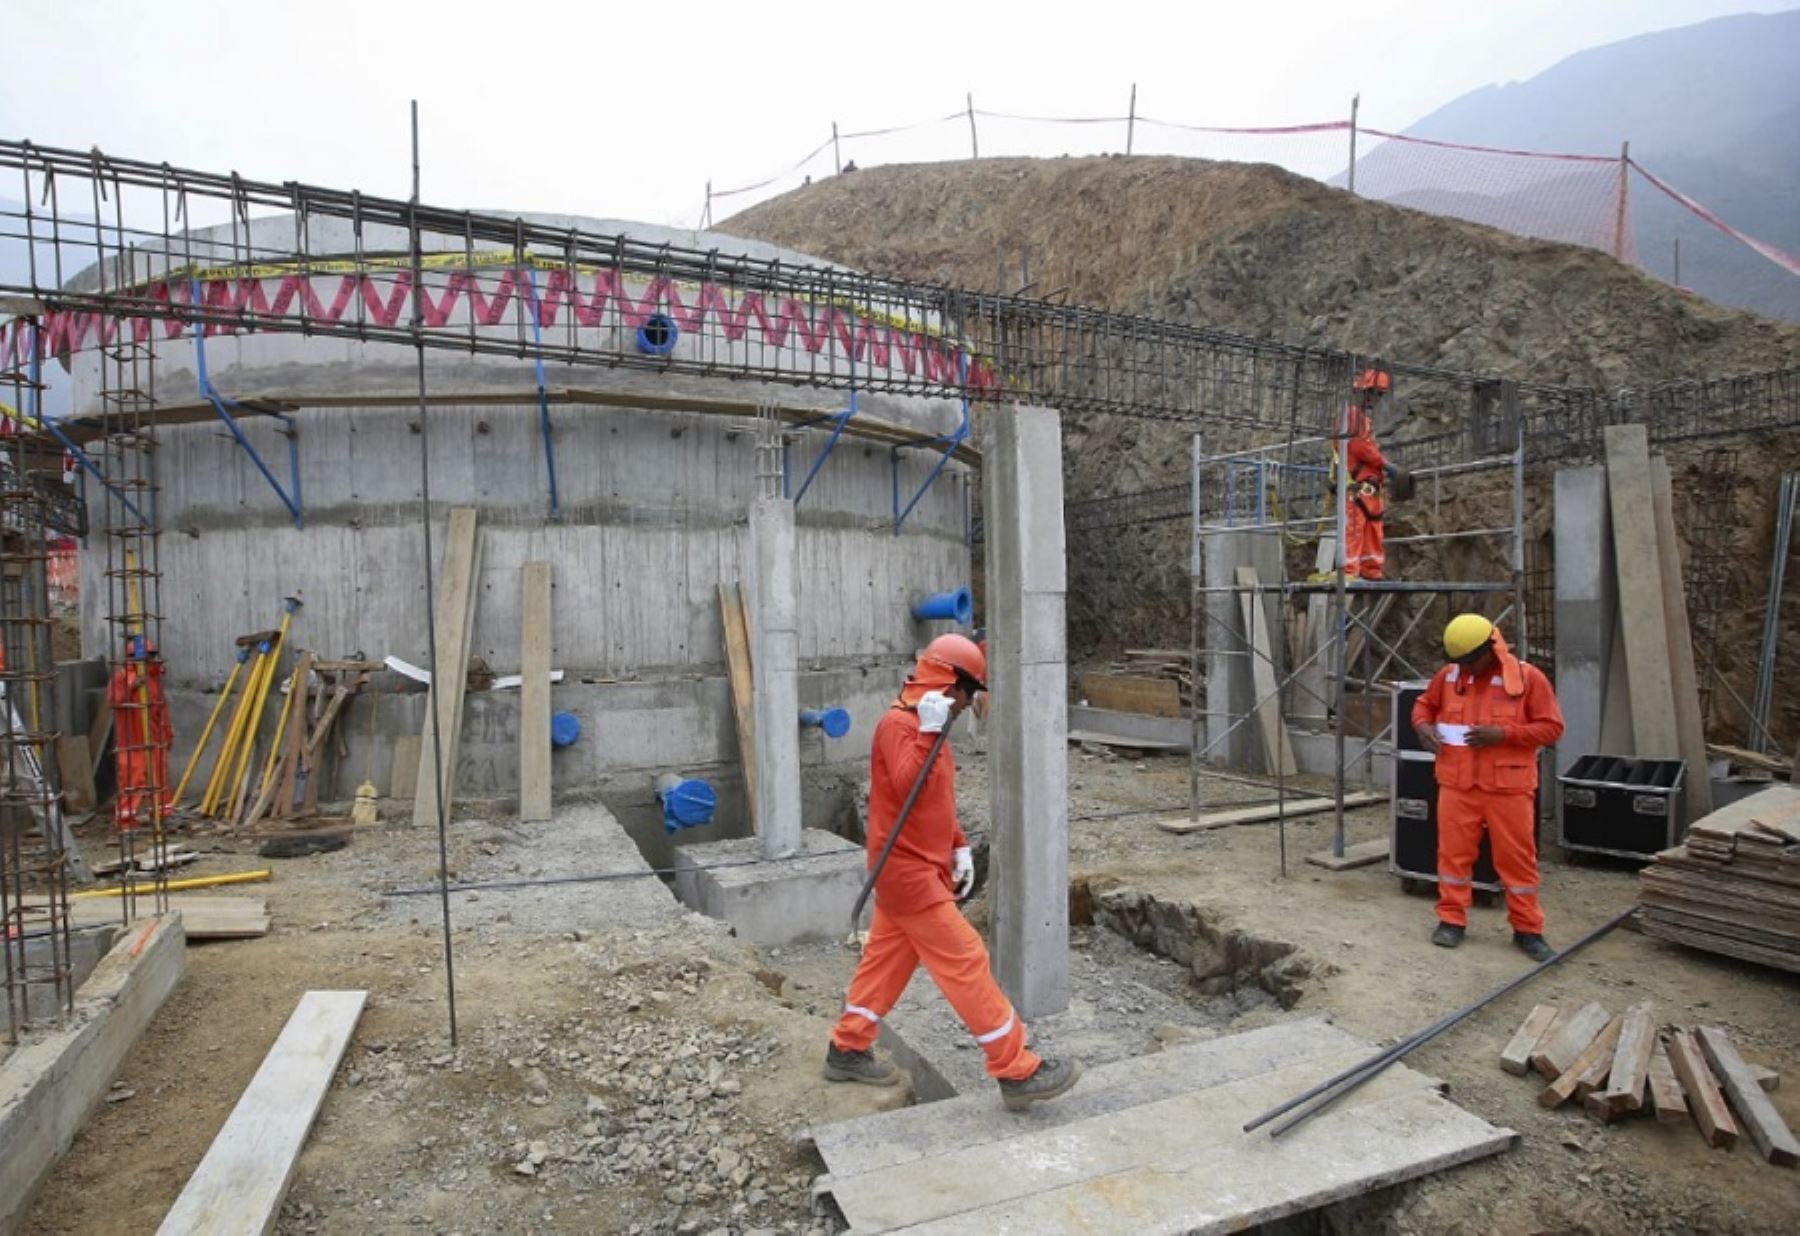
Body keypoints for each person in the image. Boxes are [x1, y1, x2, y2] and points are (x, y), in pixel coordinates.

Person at [823, 633, 1083, 1112]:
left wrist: (958, 846)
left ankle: (847, 1047)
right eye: (968, 691)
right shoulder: (899, 726)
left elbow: (935, 801)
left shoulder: (932, 729)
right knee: (965, 960)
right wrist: (926, 730)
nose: (969, 703)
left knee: (886, 963)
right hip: (908, 874)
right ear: (949, 683)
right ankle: (1015, 1068)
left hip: (918, 871)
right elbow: (905, 785)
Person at [1412, 615, 1564, 961]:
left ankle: (1528, 930)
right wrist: (1422, 727)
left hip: (1507, 787)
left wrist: (1505, 734)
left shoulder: (1528, 678)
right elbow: (1424, 704)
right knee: (1452, 857)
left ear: (1490, 650)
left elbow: (1552, 728)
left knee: (1517, 862)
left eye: (1470, 662)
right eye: (1459, 663)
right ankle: (1451, 920)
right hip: (1457, 784)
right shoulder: (1449, 676)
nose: (1464, 669)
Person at [108, 635, 174, 829]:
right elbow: (113, 701)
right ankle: (127, 821)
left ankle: (162, 815)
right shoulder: (121, 678)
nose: (150, 661)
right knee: (132, 780)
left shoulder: (153, 679)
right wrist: (132, 688)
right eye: (147, 657)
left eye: (151, 657)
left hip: (155, 739)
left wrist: (167, 734)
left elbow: (161, 710)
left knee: (160, 779)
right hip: (132, 740)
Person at [1343, 368, 1393, 580]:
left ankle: (1371, 569)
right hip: (1358, 486)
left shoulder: (1362, 420)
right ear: (1363, 391)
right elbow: (1360, 447)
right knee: (1355, 529)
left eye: (1379, 395)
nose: (1375, 400)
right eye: (1374, 393)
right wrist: (1387, 465)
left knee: (1372, 529)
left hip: (1370, 487)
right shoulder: (1352, 417)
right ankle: (1349, 572)